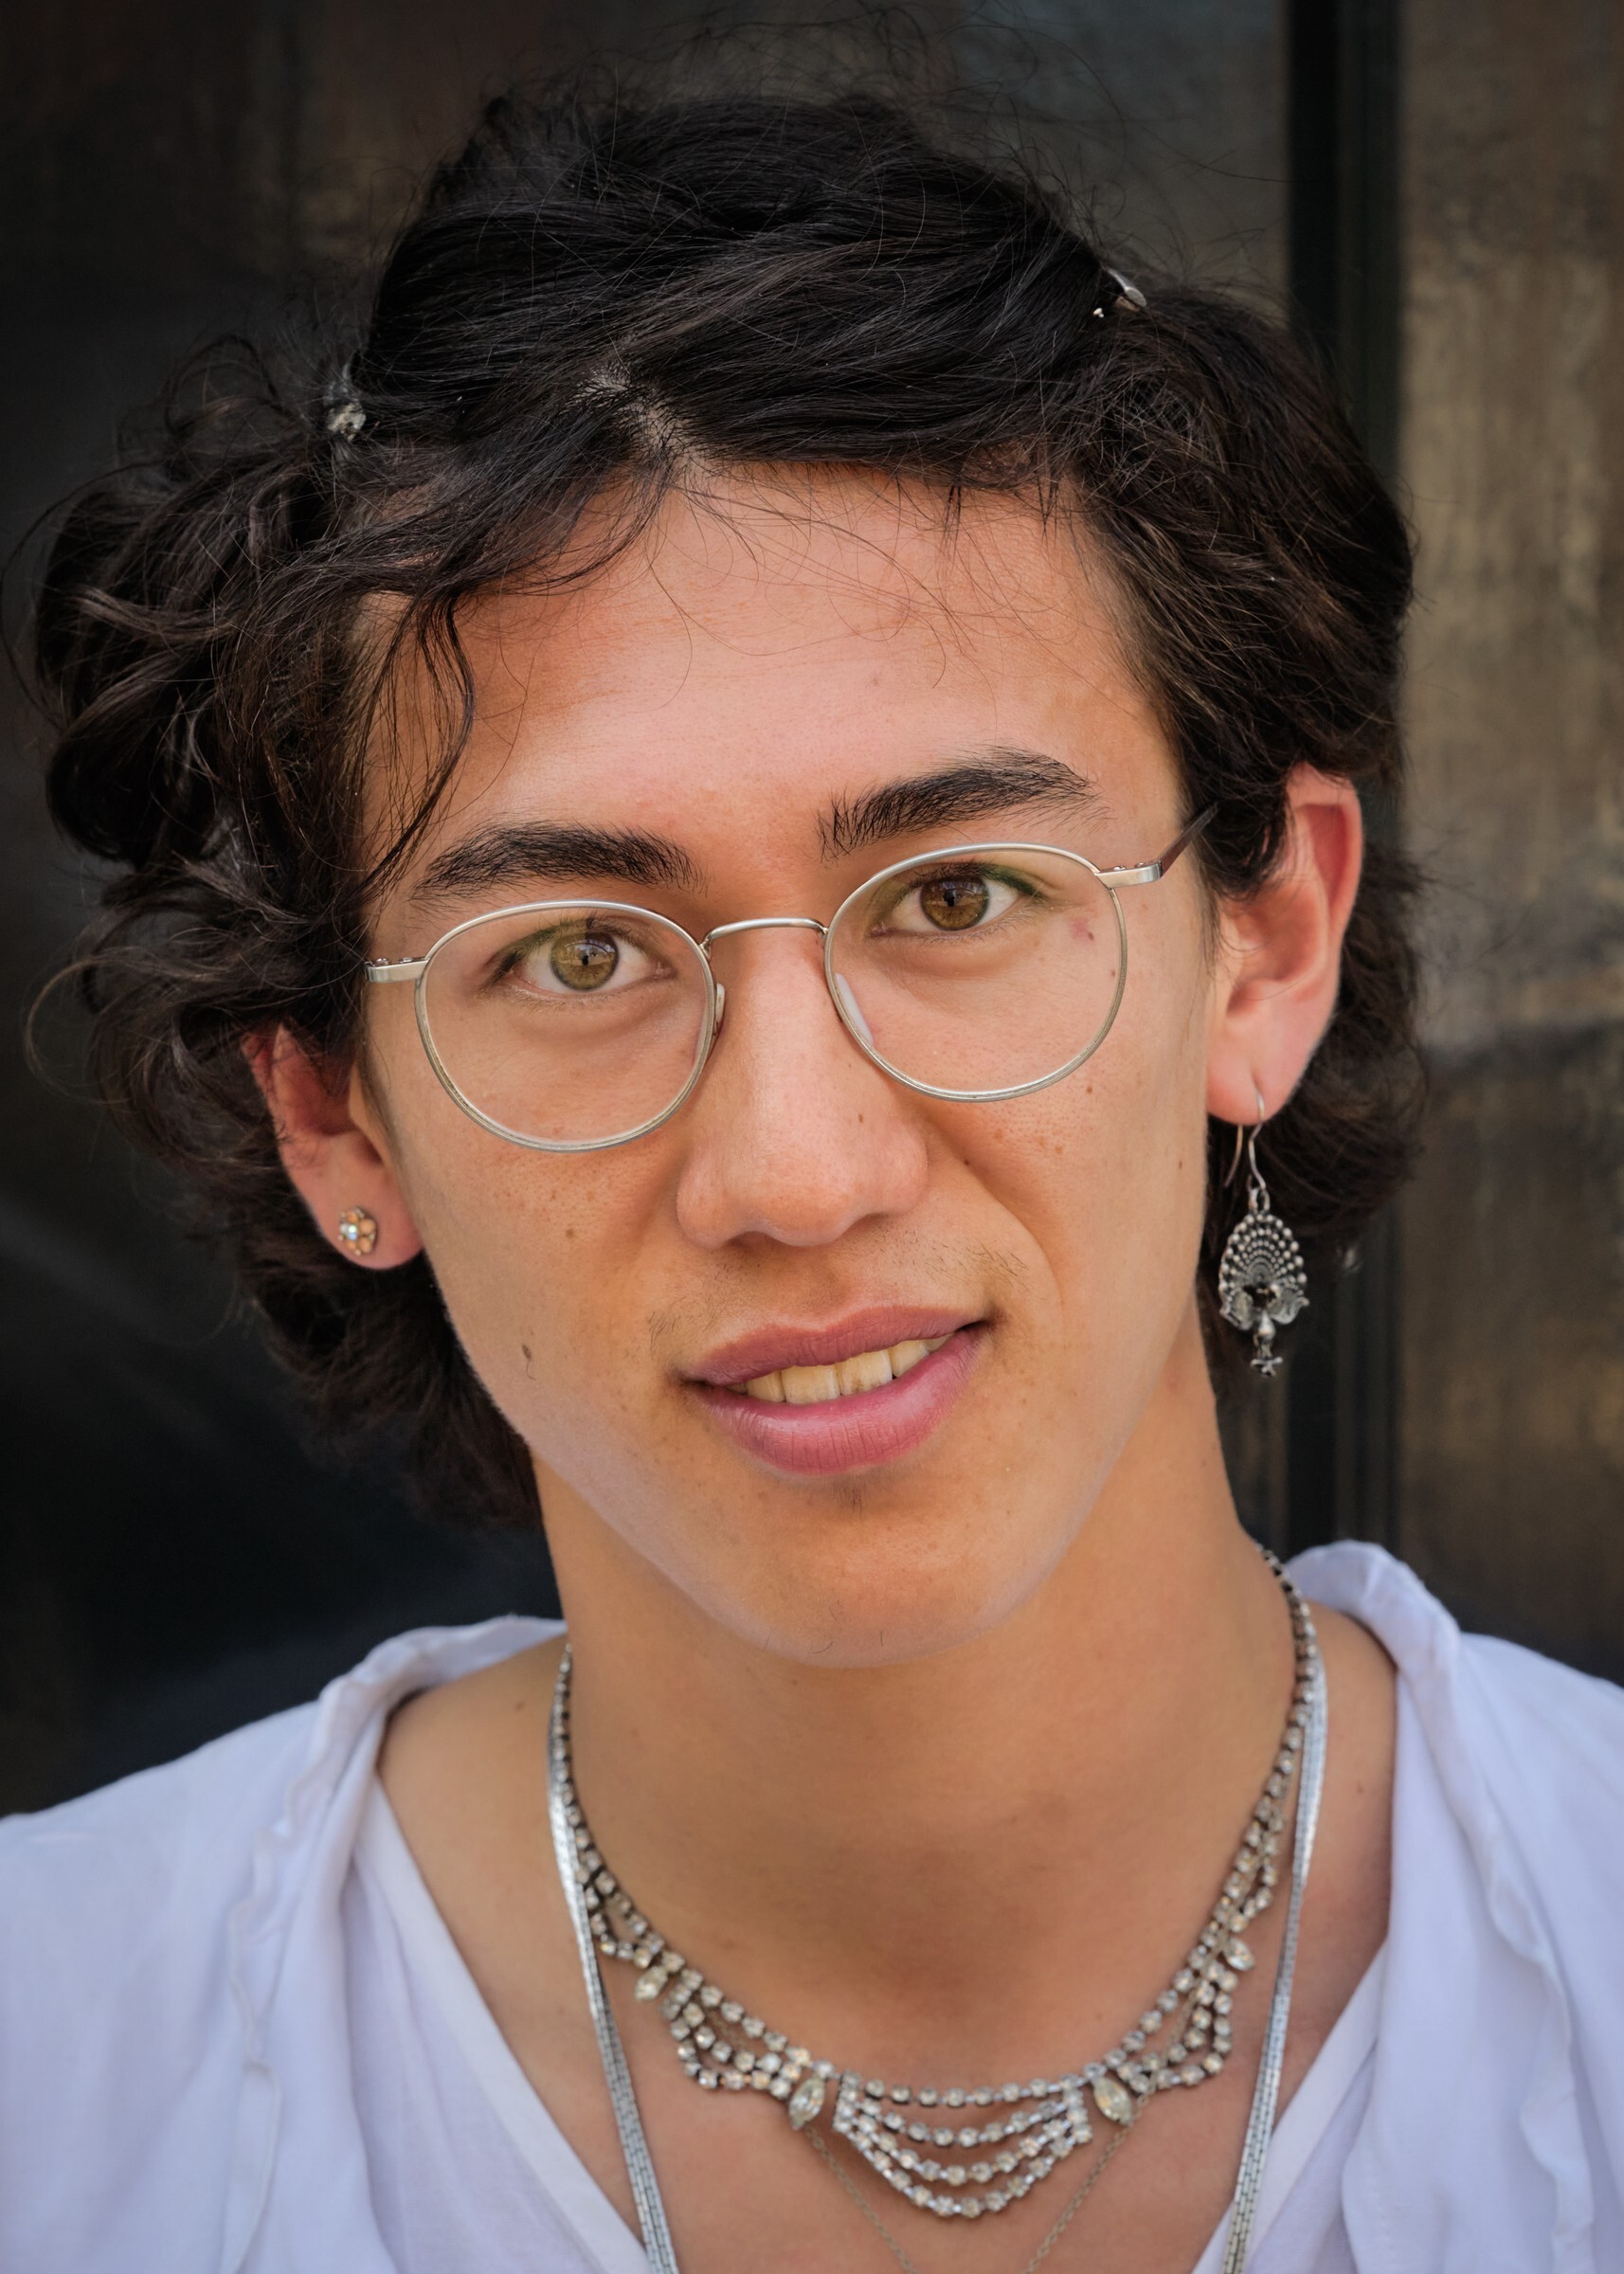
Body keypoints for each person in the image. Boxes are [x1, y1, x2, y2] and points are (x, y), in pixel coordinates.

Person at [3, 78, 1621, 2274]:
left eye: (956, 898)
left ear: (1261, 946)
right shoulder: (56, 2086)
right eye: (576, 954)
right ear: (336, 1117)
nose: (795, 1167)